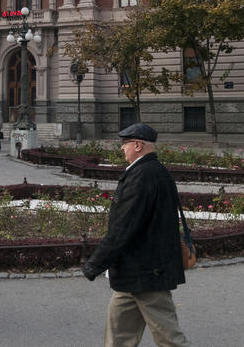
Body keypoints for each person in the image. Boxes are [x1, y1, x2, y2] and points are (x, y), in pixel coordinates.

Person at [82, 123, 189, 347]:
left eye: (125, 144)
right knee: (119, 337)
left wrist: (95, 264)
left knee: (170, 339)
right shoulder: (155, 170)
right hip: (135, 272)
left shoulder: (142, 176)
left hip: (147, 272)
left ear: (138, 145)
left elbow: (123, 227)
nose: (122, 148)